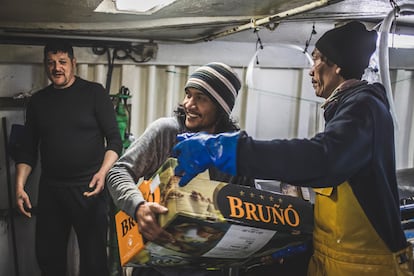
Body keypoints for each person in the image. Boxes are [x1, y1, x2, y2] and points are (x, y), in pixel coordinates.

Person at [172, 21, 414, 275]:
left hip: (365, 267)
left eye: (317, 59)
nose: (310, 71)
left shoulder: (364, 107)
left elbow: (322, 159)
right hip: (333, 260)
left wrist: (230, 149)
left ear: (337, 64)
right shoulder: (345, 110)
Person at [106, 62, 246, 276]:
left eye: (201, 98)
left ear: (221, 107)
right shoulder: (166, 132)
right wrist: (138, 206)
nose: (189, 104)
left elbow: (247, 208)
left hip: (207, 269)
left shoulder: (232, 149)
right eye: (188, 95)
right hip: (155, 266)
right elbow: (118, 172)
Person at [15, 41, 123, 276]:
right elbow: (28, 149)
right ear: (46, 65)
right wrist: (20, 185)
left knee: (94, 262)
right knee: (48, 257)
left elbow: (115, 141)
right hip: (51, 189)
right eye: (51, 63)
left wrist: (102, 173)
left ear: (73, 63)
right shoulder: (38, 101)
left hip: (89, 188)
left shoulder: (94, 93)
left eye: (62, 62)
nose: (57, 68)